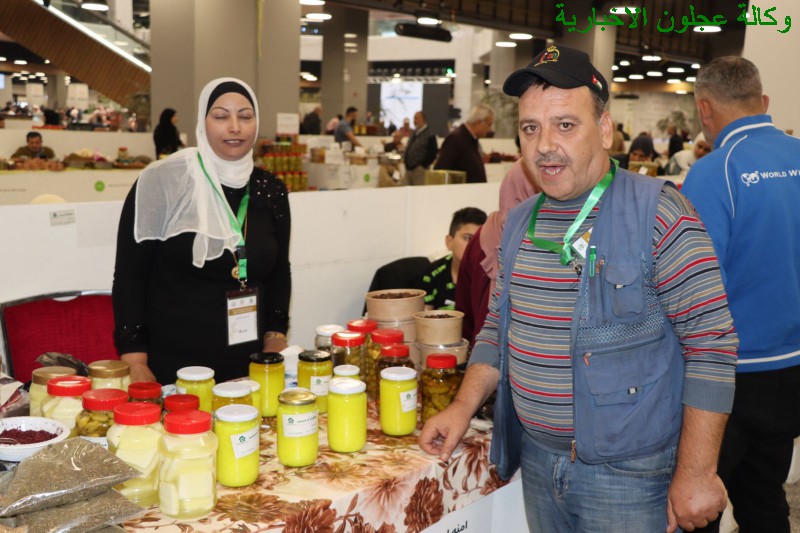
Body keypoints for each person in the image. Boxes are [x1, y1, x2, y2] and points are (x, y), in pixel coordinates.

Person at [419, 44, 738, 533]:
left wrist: (697, 471)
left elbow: (711, 345)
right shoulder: (517, 224)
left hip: (630, 475)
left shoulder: (660, 213)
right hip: (537, 463)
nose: (545, 144)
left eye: (565, 125)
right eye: (531, 128)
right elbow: (497, 329)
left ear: (604, 129)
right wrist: (462, 406)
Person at [682, 56, 800, 533]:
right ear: (763, 102)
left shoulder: (714, 172)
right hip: (793, 369)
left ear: (704, 109)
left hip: (729, 376)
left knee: (698, 510)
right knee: (764, 500)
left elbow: (694, 287)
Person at [112, 77, 291, 385]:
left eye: (245, 116)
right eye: (221, 116)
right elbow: (130, 275)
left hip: (249, 363)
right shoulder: (163, 182)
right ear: (202, 122)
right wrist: (134, 359)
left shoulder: (270, 189)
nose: (235, 127)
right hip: (175, 364)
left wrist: (276, 336)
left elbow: (279, 271)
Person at [455, 159, 538, 346]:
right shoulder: (550, 241)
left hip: (484, 348)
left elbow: (463, 308)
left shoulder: (483, 235)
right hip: (523, 352)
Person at [421, 207, 487, 311]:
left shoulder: (491, 277)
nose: (474, 246)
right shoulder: (432, 274)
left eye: (480, 240)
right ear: (449, 242)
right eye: (468, 238)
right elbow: (424, 317)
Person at [433, 104, 494, 183]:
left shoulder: (472, 140)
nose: (490, 129)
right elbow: (440, 171)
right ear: (478, 122)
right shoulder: (455, 139)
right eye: (489, 124)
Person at [403, 111, 438, 186]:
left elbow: (433, 152)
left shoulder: (430, 134)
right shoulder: (414, 132)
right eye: (414, 118)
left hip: (420, 171)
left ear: (423, 119)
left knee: (418, 191)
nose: (414, 120)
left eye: (416, 118)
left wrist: (423, 166)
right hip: (408, 169)